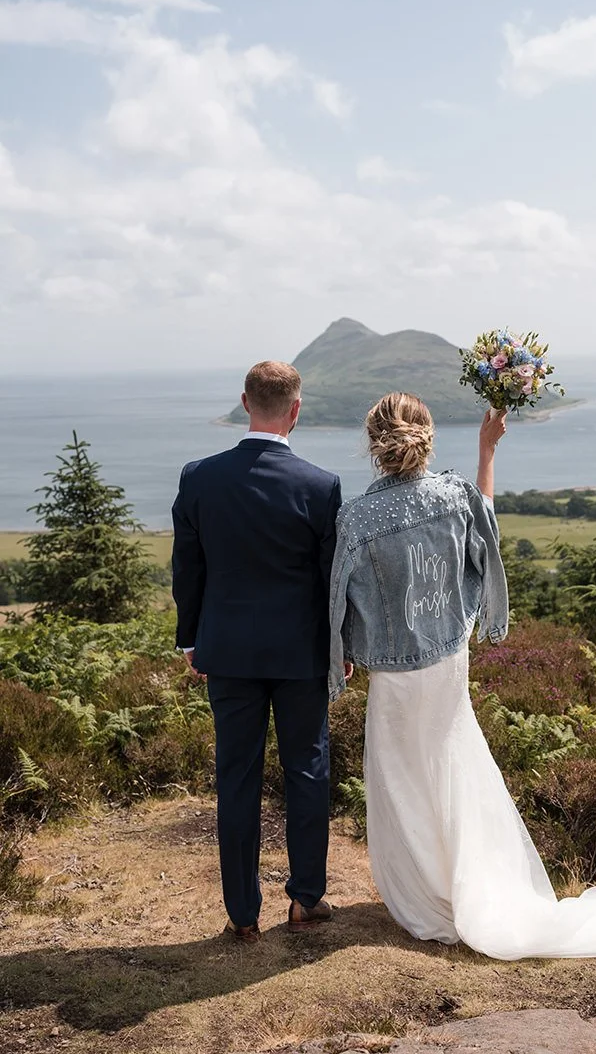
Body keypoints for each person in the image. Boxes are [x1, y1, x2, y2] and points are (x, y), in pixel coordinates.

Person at [329, 392, 596, 959]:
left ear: (374, 445)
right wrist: (487, 450)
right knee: (453, 762)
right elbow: (485, 536)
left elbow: (339, 601)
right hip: (448, 660)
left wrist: (340, 652)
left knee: (399, 777)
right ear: (426, 438)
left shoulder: (357, 518)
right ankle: (468, 887)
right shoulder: (454, 496)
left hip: (394, 673)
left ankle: (426, 899)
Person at [172, 360, 345, 941]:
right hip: (301, 655)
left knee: (237, 777)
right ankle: (306, 899)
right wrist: (339, 646)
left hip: (229, 653)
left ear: (246, 403)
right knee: (307, 770)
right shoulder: (321, 486)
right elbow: (330, 582)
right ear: (295, 410)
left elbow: (187, 570)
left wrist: (193, 640)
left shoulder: (199, 478)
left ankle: (243, 915)